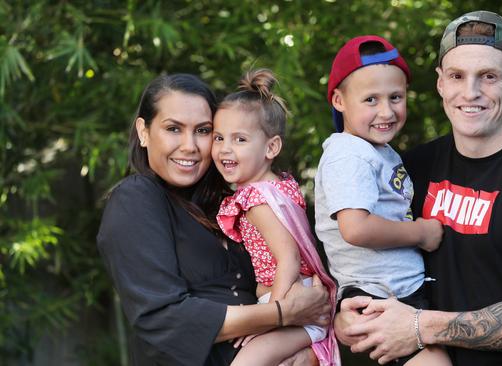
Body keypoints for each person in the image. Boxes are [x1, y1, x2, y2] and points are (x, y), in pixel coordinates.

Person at [335, 10, 502, 366]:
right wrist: (343, 314)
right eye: (457, 76)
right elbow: (360, 252)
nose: (470, 92)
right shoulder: (412, 166)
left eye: (488, 76)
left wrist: (419, 326)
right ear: (441, 83)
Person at [97, 73, 330, 366]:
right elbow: (164, 319)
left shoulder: (234, 201)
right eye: (173, 129)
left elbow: (307, 274)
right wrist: (282, 313)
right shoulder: (136, 199)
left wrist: (307, 354)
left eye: (204, 131)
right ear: (143, 131)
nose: (190, 146)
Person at [315, 35, 450, 365]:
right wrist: (421, 233)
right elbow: (356, 229)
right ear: (339, 100)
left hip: (396, 290)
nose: (386, 111)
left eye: (395, 97)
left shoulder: (377, 151)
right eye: (371, 100)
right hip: (375, 297)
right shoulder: (350, 154)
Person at [212, 69, 340, 366]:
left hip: (295, 307)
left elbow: (289, 259)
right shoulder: (278, 185)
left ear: (271, 147)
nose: (225, 148)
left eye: (239, 139)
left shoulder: (258, 199)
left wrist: (272, 318)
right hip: (288, 303)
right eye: (219, 138)